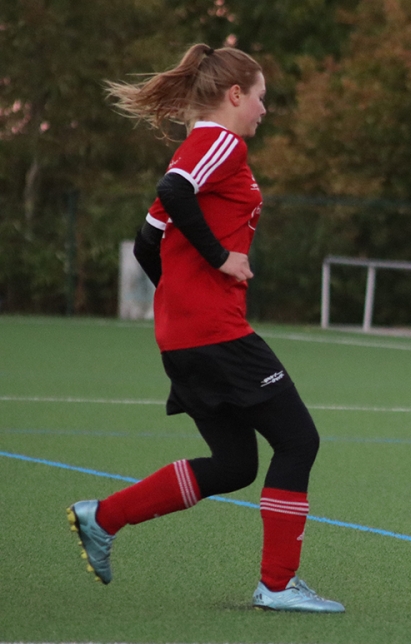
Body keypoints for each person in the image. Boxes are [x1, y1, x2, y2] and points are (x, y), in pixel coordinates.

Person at [66, 44, 344, 613]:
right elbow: (173, 192)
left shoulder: (202, 149)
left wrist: (178, 298)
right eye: (261, 97)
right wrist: (219, 261)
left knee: (236, 465)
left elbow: (148, 241)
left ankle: (104, 517)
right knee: (299, 441)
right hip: (216, 333)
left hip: (183, 336)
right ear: (235, 95)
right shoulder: (220, 141)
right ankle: (278, 585)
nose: (265, 108)